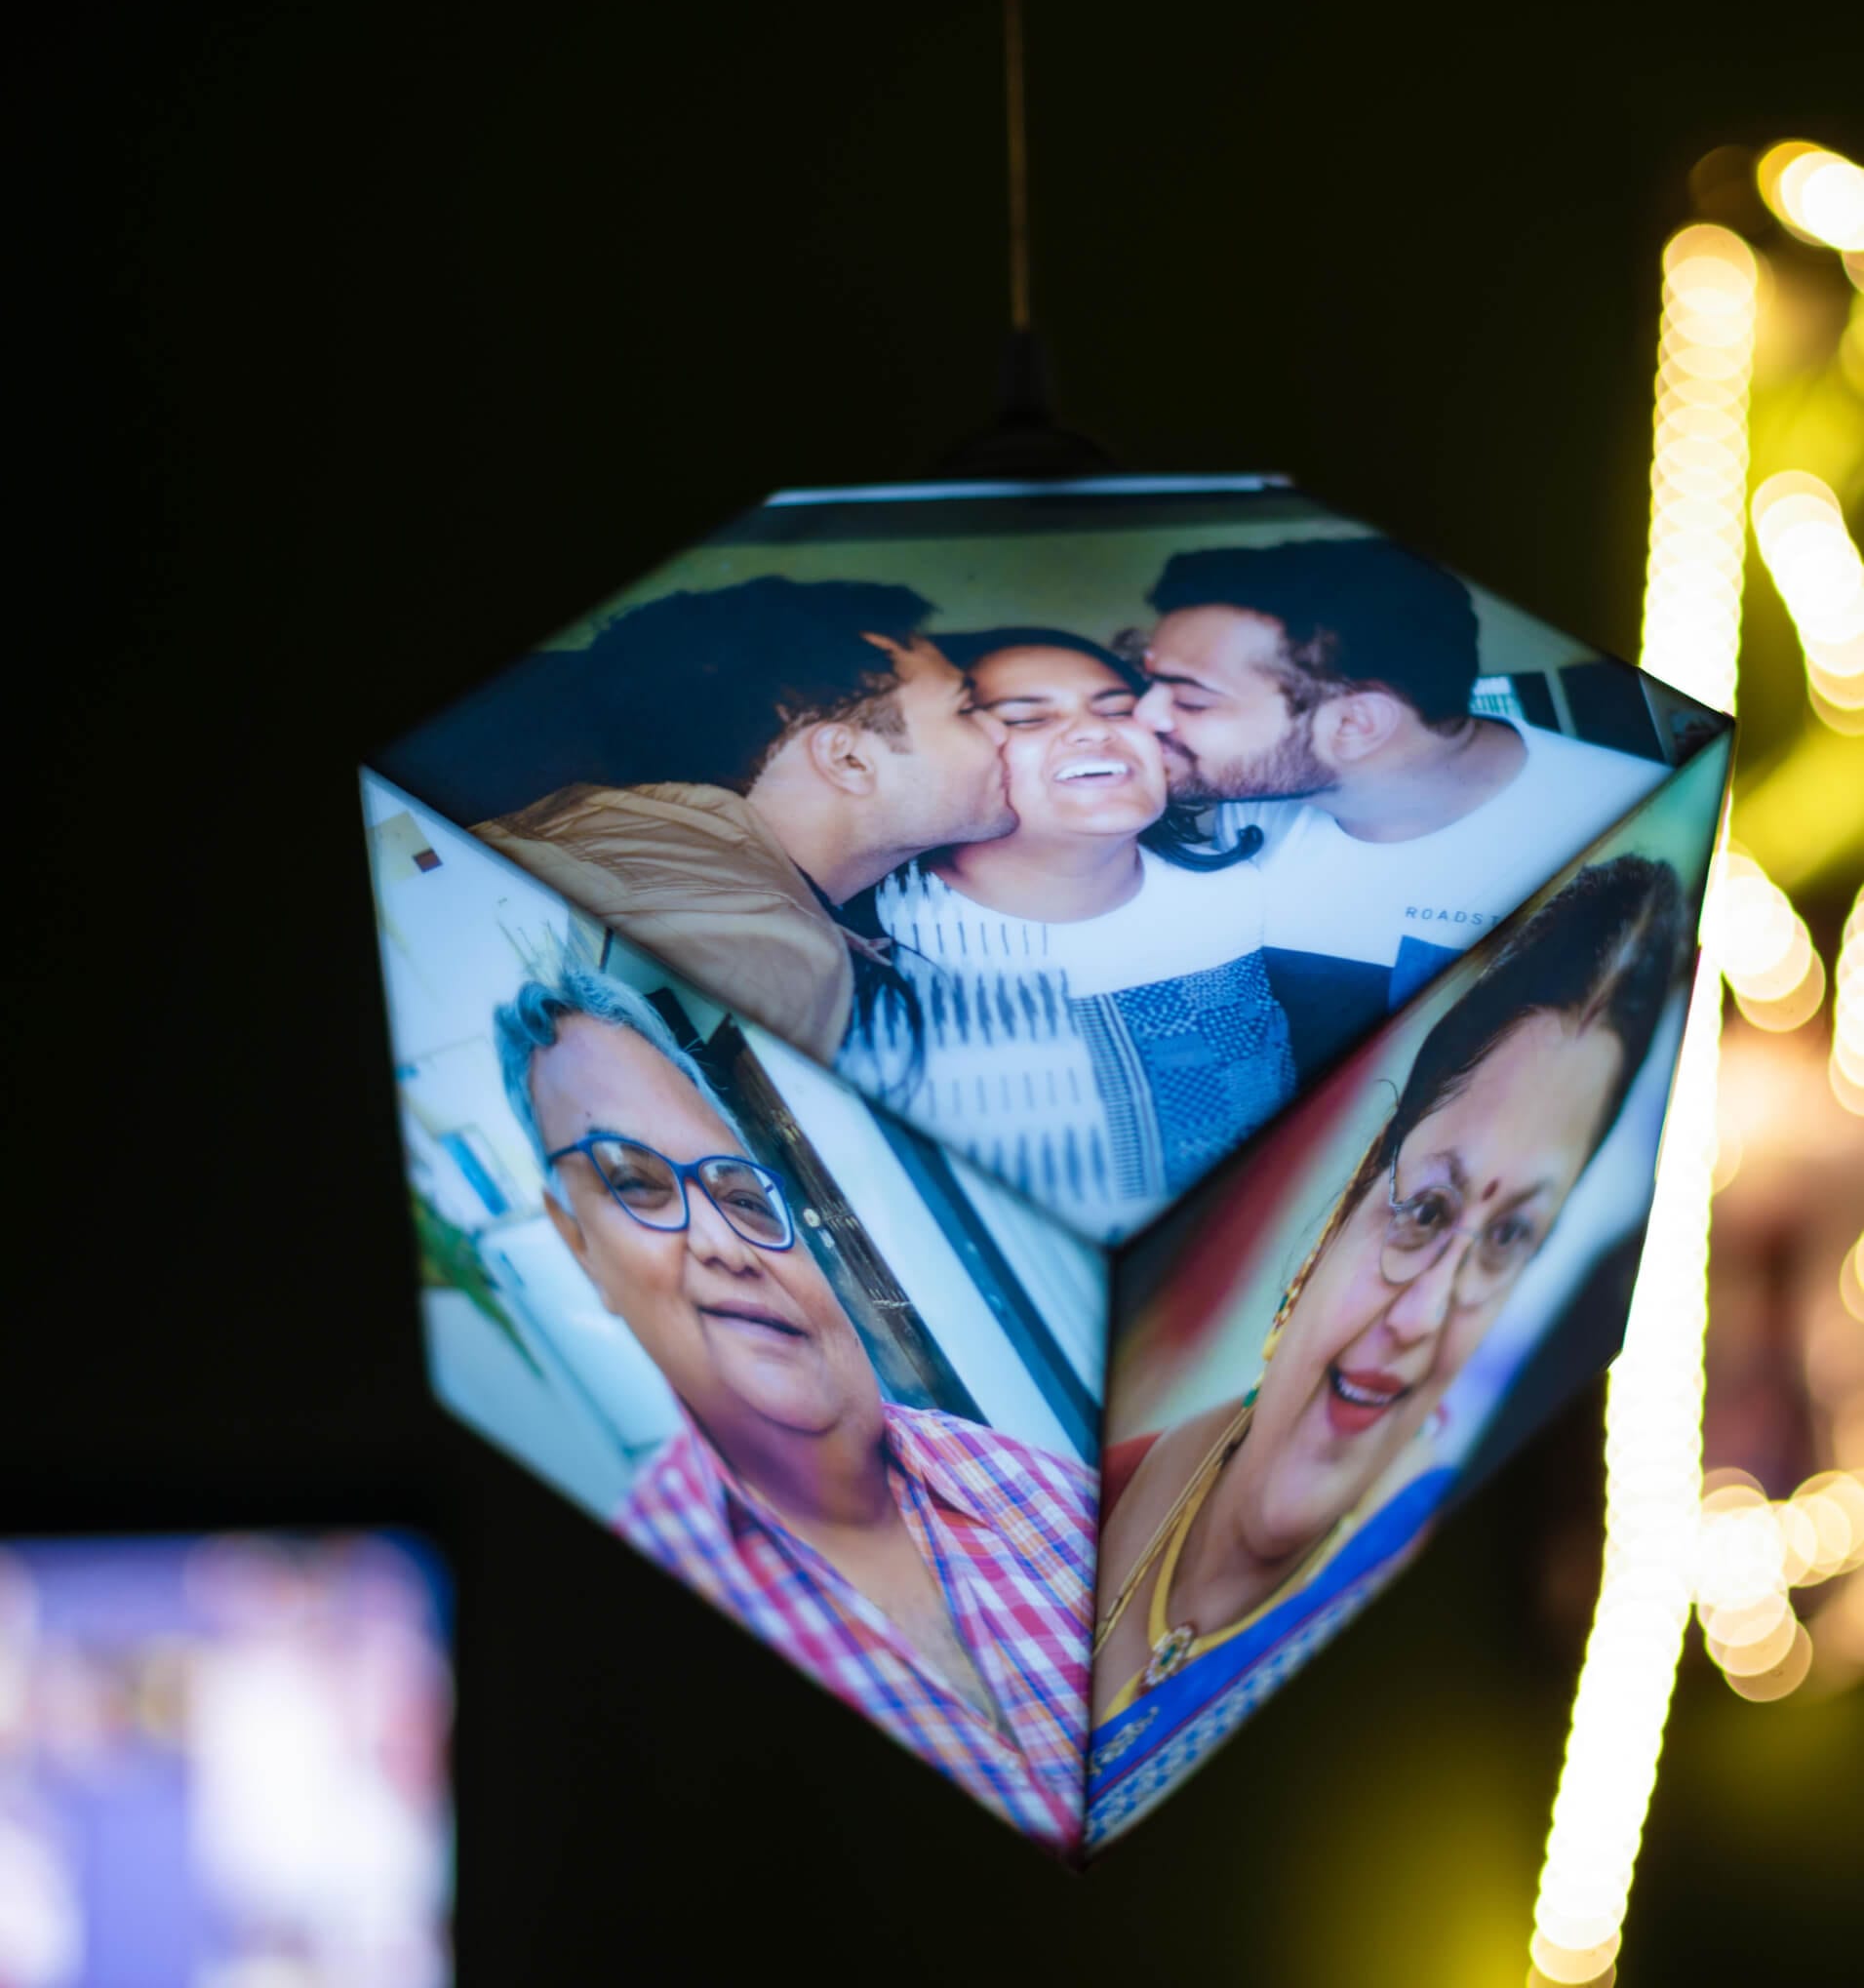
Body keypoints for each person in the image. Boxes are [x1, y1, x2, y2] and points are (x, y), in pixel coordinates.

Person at [1087, 855, 1687, 1844]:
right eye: (1427, 1208)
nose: (1422, 1315)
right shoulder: (1073, 1503)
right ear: (1345, 1207)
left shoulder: (1422, 1658)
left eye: (1505, 1240)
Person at [494, 963, 1095, 1854]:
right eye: (637, 1186)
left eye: (740, 1197)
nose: (723, 1243)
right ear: (577, 1246)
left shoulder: (1023, 1478)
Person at [1129, 538, 1670, 1082]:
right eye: (1151, 683)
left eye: (1191, 699)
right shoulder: (1247, 816)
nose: (1143, 714)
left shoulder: (1645, 826)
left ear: (1355, 725)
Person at [847, 630, 1294, 1241]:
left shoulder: (1243, 895)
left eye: (1116, 709)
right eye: (1025, 719)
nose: (1093, 731)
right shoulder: (856, 947)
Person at [476, 577, 1014, 1062]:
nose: (1002, 732)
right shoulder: (757, 943)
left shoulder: (605, 834)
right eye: (965, 709)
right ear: (847, 760)